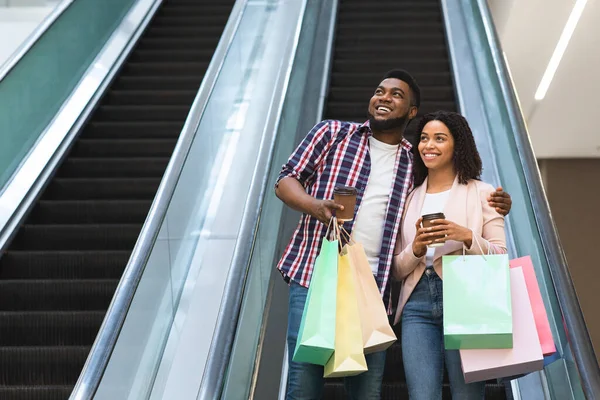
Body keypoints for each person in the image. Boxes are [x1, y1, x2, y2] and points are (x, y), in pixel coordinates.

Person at [275, 70, 512, 399]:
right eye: (379, 91)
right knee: (304, 378)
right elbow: (285, 181)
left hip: (375, 284)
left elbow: (453, 188)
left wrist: (498, 204)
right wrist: (316, 207)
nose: (384, 97)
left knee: (366, 387)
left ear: (412, 111)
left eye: (396, 94)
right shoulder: (331, 133)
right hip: (316, 274)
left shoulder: (412, 161)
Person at [392, 110, 508, 399]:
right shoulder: (409, 197)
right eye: (423, 138)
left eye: (439, 139)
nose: (428, 145)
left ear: (458, 145)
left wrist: (465, 236)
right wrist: (417, 248)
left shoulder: (483, 192)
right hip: (416, 304)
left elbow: (500, 254)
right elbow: (395, 269)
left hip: (466, 300)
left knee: (467, 395)